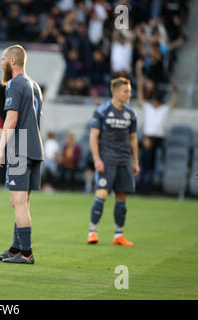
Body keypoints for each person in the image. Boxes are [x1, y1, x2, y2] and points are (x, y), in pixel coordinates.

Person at [0, 45, 44, 264]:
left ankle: (26, 253)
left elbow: (11, 120)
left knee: (18, 202)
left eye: (3, 59)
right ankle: (16, 248)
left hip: (20, 148)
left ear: (13, 61)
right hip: (34, 148)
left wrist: (0, 149)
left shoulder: (15, 83)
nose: (1, 63)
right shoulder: (35, 85)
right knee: (22, 202)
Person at [87, 77, 139, 247]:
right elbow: (93, 136)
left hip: (124, 161)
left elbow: (133, 139)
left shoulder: (130, 113)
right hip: (107, 160)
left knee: (121, 196)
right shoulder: (102, 111)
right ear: (116, 92)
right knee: (101, 194)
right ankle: (92, 232)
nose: (129, 94)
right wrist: (97, 159)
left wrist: (136, 161)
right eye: (126, 91)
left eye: (129, 91)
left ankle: (118, 235)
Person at [135, 59, 179, 195]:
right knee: (144, 163)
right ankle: (141, 187)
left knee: (151, 164)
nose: (153, 102)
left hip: (157, 138)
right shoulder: (149, 108)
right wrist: (140, 83)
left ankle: (147, 188)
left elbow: (173, 103)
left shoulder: (163, 109)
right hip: (148, 137)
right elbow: (140, 98)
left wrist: (175, 93)